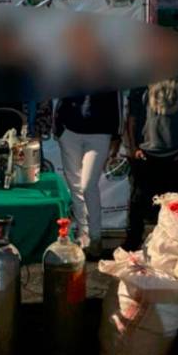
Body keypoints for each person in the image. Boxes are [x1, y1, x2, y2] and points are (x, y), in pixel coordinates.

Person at [123, 70, 178, 251]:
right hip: (146, 152)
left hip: (177, 154)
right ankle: (133, 241)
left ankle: (172, 244)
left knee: (174, 207)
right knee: (138, 202)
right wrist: (134, 148)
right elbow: (133, 115)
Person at [54, 91, 122, 259]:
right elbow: (62, 99)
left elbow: (115, 103)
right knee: (75, 187)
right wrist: (58, 127)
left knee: (87, 185)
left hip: (100, 134)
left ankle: (95, 237)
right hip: (69, 132)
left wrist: (116, 135)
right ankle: (84, 238)